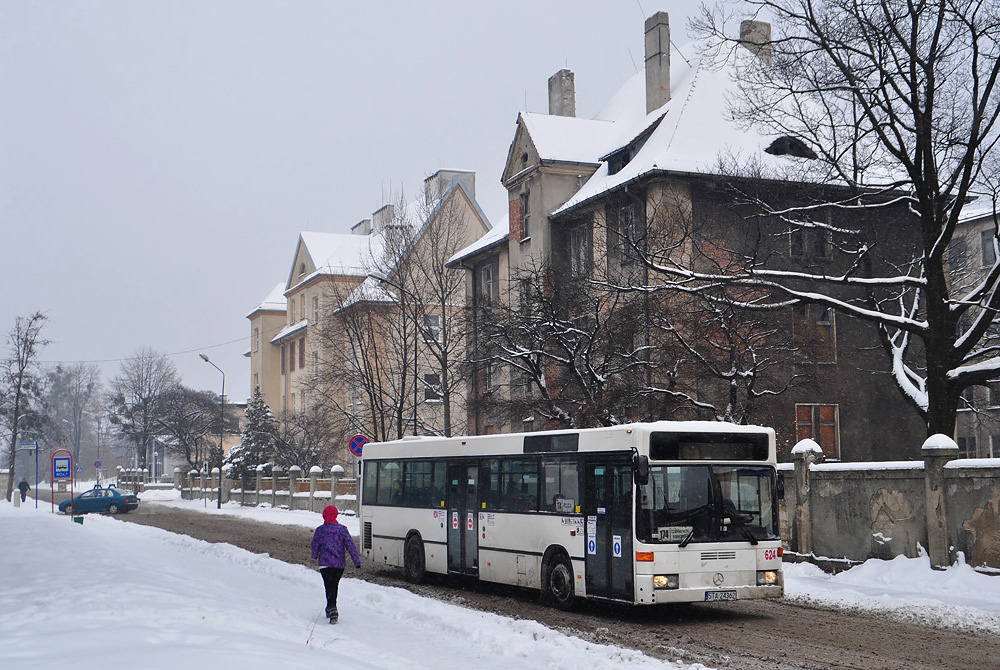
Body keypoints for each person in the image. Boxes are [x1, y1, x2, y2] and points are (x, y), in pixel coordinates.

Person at [311, 505, 361, 624]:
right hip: (339, 564)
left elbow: (315, 545)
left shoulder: (320, 530)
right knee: (334, 585)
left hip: (324, 564)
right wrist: (356, 561)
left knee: (328, 585)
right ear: (336, 514)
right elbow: (350, 546)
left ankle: (331, 608)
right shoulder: (342, 529)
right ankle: (331, 608)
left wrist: (314, 555)